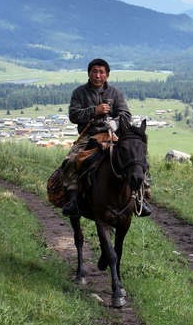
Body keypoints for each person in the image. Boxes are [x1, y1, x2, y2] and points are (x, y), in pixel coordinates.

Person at [60, 58, 150, 216]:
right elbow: (73, 115)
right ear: (89, 73)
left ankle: (142, 197)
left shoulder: (115, 93)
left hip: (112, 135)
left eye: (101, 72)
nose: (97, 75)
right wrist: (94, 111)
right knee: (72, 160)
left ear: (107, 75)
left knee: (137, 158)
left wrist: (116, 122)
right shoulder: (79, 93)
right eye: (94, 71)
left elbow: (125, 114)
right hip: (89, 135)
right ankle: (73, 200)